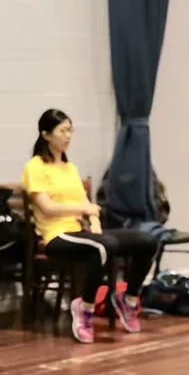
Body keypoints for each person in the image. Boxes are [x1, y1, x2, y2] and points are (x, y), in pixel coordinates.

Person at [21, 109, 158, 343]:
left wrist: (94, 221)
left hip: (81, 232)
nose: (68, 136)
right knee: (103, 246)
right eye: (62, 131)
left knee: (147, 240)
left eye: (70, 130)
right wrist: (84, 210)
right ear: (46, 135)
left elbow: (87, 205)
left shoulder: (70, 168)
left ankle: (129, 300)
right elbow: (48, 208)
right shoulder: (35, 167)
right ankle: (84, 308)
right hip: (56, 236)